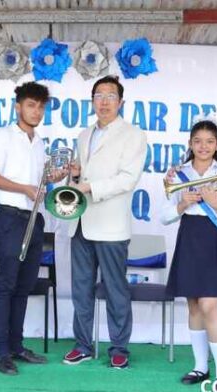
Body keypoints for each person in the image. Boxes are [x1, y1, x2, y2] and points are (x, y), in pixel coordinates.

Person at [62, 75, 147, 369]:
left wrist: (89, 187)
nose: (104, 102)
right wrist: (75, 176)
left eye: (111, 96)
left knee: (115, 289)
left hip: (111, 225)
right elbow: (81, 176)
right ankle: (83, 345)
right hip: (80, 222)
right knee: (81, 289)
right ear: (92, 101)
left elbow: (127, 179)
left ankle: (119, 347)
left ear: (120, 102)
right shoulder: (84, 134)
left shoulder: (133, 134)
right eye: (99, 96)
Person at [0, 81, 65, 376]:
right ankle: (1, 352)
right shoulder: (4, 136)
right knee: (5, 284)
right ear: (18, 107)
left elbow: (40, 179)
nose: (36, 111)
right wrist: (23, 189)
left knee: (24, 284)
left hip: (35, 218)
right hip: (10, 217)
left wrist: (56, 175)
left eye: (41, 107)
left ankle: (16, 346)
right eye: (31, 105)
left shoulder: (39, 141)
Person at [160, 119, 217, 392]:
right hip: (189, 239)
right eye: (198, 141)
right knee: (194, 307)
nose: (203, 146)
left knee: (210, 306)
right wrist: (182, 204)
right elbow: (164, 217)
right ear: (190, 144)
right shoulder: (177, 174)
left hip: (216, 242)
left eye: (210, 141)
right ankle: (200, 367)